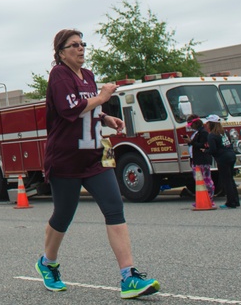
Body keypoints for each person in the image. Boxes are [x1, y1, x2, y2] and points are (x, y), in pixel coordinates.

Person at [35, 29, 159, 299]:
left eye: (83, 44)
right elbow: (70, 108)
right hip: (65, 160)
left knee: (115, 208)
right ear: (60, 52)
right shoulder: (58, 75)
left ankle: (128, 276)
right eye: (74, 45)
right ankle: (48, 263)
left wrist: (105, 117)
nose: (81, 49)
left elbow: (88, 106)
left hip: (94, 159)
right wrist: (102, 97)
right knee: (63, 215)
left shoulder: (88, 75)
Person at [204, 116, 239, 209]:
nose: (206, 125)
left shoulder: (211, 135)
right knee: (230, 179)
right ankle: (236, 200)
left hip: (223, 158)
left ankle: (230, 202)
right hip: (231, 155)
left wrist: (205, 151)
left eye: (207, 123)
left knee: (226, 181)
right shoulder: (224, 132)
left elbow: (213, 150)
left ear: (211, 124)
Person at [188, 116, 215, 208]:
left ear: (196, 123)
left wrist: (191, 142)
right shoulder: (197, 133)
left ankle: (210, 199)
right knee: (199, 181)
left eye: (191, 125)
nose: (190, 127)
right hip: (196, 159)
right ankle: (201, 198)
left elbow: (203, 145)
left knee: (206, 180)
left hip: (202, 159)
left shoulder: (203, 133)